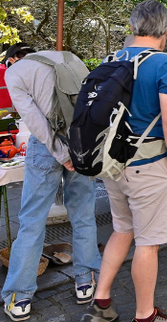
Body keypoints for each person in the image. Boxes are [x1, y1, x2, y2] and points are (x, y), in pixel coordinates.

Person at [82, 0, 167, 322]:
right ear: (165, 30)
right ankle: (145, 315)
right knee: (148, 242)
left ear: (132, 28)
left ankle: (101, 301)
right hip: (148, 163)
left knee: (122, 229)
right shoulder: (164, 63)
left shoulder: (110, 59)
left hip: (113, 162)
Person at [3, 46, 101, 322]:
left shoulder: (16, 72)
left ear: (13, 59)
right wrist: (75, 154)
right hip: (83, 142)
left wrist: (60, 154)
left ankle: (19, 297)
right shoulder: (69, 57)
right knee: (83, 214)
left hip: (48, 146)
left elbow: (34, 121)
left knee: (32, 219)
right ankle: (85, 282)